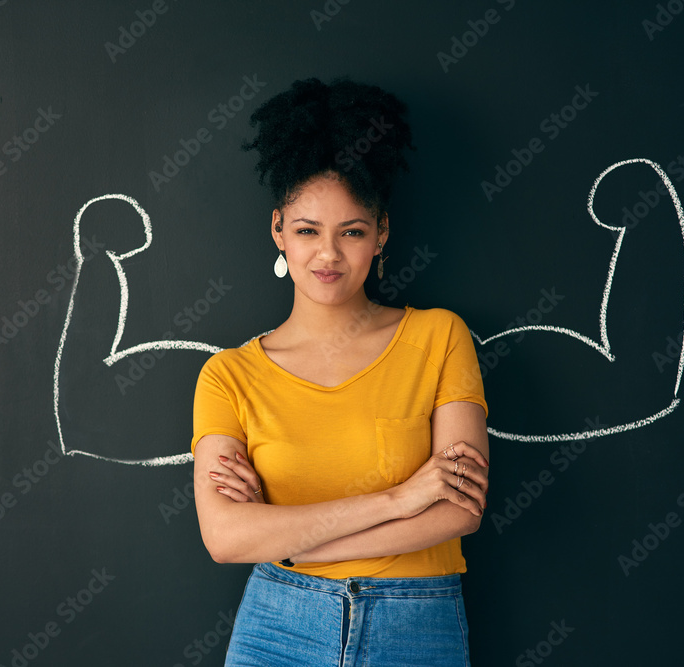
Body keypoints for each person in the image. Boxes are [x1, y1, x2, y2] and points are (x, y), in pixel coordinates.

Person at [190, 77, 490, 667]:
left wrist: (290, 542)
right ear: (278, 230)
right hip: (277, 623)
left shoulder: (438, 336)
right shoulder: (228, 375)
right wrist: (402, 499)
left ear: (381, 233)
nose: (328, 255)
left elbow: (461, 509)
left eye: (351, 232)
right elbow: (226, 538)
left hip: (415, 621)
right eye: (307, 231)